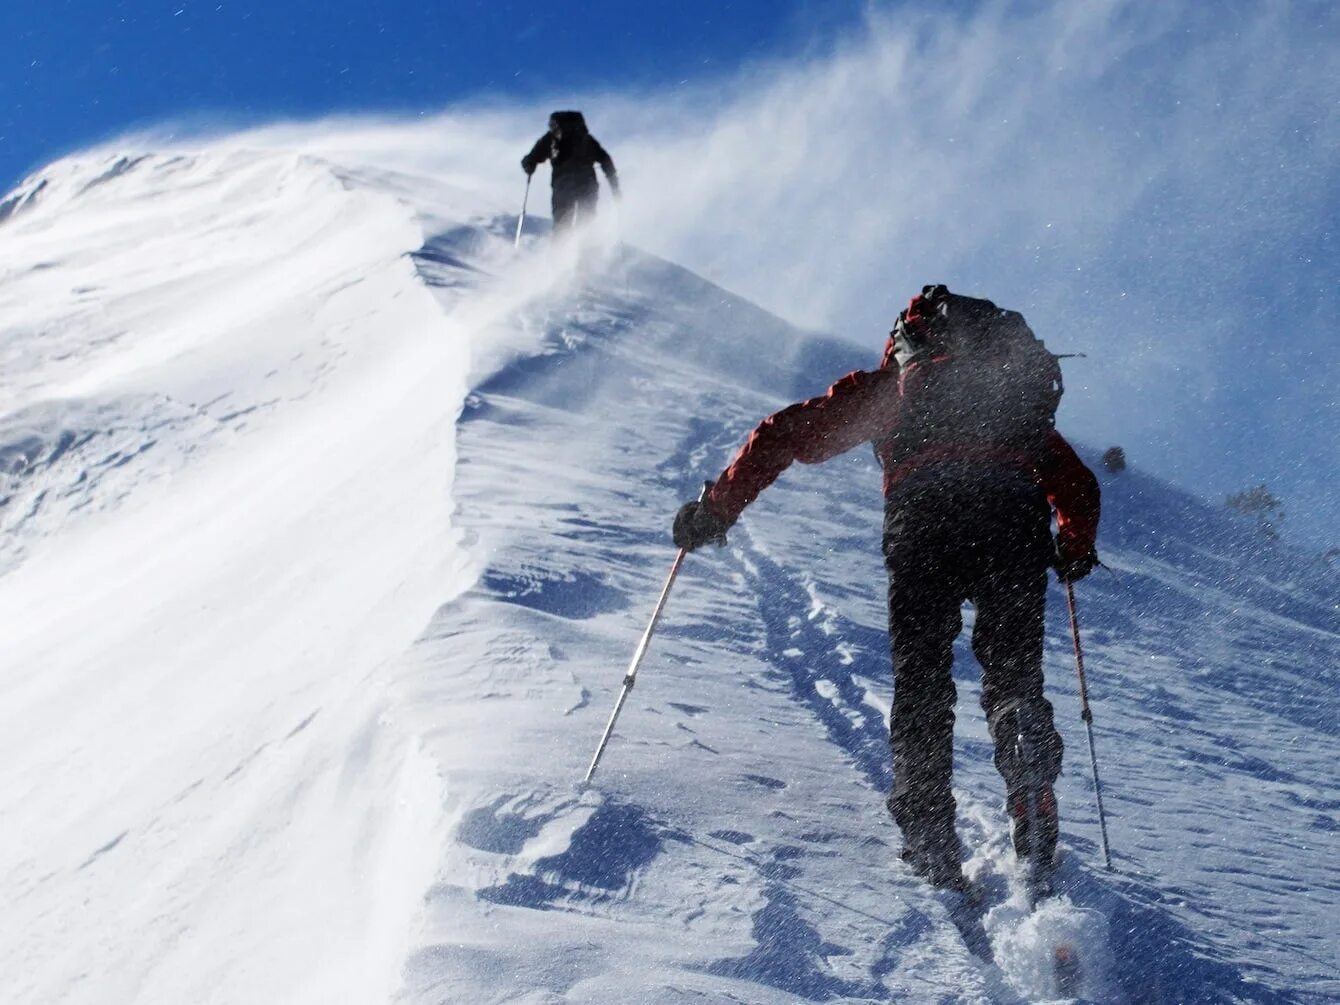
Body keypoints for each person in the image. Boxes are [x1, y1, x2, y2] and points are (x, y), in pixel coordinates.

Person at [672, 284, 1101, 894]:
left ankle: (929, 830)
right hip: (1012, 520)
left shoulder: (896, 387)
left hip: (922, 518)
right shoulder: (1010, 399)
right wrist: (1074, 548)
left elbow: (784, 433)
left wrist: (716, 510)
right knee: (1012, 670)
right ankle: (1026, 753)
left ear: (908, 338)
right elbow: (1078, 484)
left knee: (921, 675)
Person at [521, 111, 619, 234]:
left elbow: (532, 157)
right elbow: (605, 160)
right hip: (587, 184)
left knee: (562, 222)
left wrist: (529, 164)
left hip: (563, 185)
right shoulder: (585, 138)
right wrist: (613, 182)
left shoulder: (551, 138)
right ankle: (586, 242)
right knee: (586, 219)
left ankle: (561, 244)